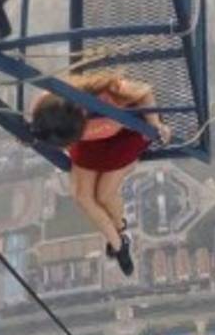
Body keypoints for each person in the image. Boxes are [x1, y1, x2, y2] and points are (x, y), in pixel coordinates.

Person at [30, 71, 172, 276]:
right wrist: (32, 136)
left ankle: (120, 233)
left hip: (124, 136)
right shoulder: (46, 107)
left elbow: (144, 92)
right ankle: (119, 242)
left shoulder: (107, 95)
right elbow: (41, 128)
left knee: (104, 194)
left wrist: (155, 124)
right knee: (82, 196)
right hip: (91, 140)